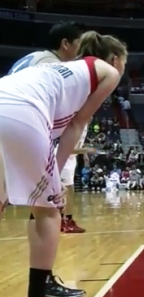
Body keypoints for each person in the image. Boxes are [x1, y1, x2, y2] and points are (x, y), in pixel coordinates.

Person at [0, 30, 126, 297]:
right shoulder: (109, 72)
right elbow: (76, 125)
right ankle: (41, 289)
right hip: (22, 110)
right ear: (115, 58)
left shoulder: (65, 68)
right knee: (48, 207)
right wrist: (54, 177)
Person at [9, 22, 92, 235]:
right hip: (17, 122)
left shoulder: (35, 58)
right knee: (47, 205)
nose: (82, 53)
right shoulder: (51, 66)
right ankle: (42, 267)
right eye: (79, 45)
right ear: (65, 44)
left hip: (8, 118)